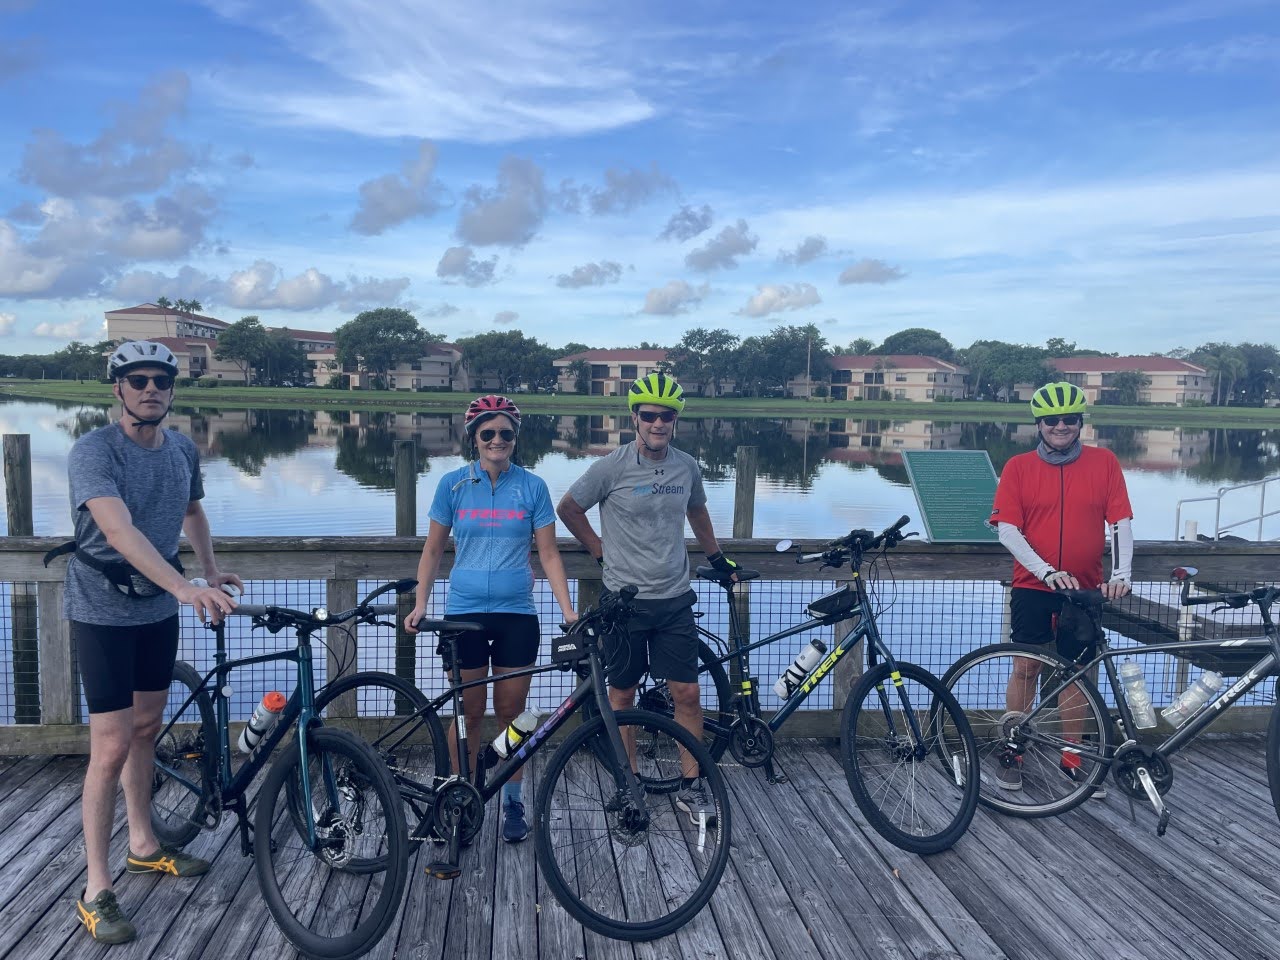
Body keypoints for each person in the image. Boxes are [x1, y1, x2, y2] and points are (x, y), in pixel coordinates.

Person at [60, 340, 242, 944]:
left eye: (160, 380)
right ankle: (96, 890)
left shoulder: (183, 449)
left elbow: (192, 513)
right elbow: (119, 531)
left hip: (157, 608)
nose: (150, 389)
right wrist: (187, 588)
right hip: (102, 609)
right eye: (136, 380)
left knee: (146, 729)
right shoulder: (94, 451)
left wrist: (210, 572)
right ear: (117, 388)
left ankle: (144, 844)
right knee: (109, 746)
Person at [557, 372, 738, 822]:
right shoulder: (610, 467)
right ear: (635, 418)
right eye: (651, 415)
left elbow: (697, 510)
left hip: (675, 597)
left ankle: (691, 786)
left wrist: (717, 557)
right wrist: (598, 549)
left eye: (667, 416)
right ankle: (629, 780)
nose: (659, 423)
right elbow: (569, 508)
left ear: (676, 421)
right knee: (622, 697)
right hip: (624, 603)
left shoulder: (687, 466)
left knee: (689, 694)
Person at [405, 395, 576, 843]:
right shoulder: (453, 484)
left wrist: (568, 610)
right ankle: (454, 794)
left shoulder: (533, 486)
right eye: (488, 434)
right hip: (463, 614)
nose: (497, 440)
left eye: (506, 433)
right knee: (469, 711)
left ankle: (513, 801)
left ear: (515, 438)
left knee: (511, 713)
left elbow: (550, 553)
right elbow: (433, 549)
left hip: (517, 614)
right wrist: (421, 603)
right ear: (474, 439)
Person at [988, 381, 1133, 794]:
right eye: (1052, 420)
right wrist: (1047, 572)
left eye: (1070, 419)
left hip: (1085, 589)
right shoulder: (1018, 467)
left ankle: (1073, 759)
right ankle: (1012, 751)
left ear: (1080, 423)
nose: (1061, 426)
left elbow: (1120, 522)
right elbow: (1008, 532)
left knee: (1077, 676)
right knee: (1026, 667)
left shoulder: (1104, 462)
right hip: (1032, 585)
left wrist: (1121, 574)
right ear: (1040, 424)